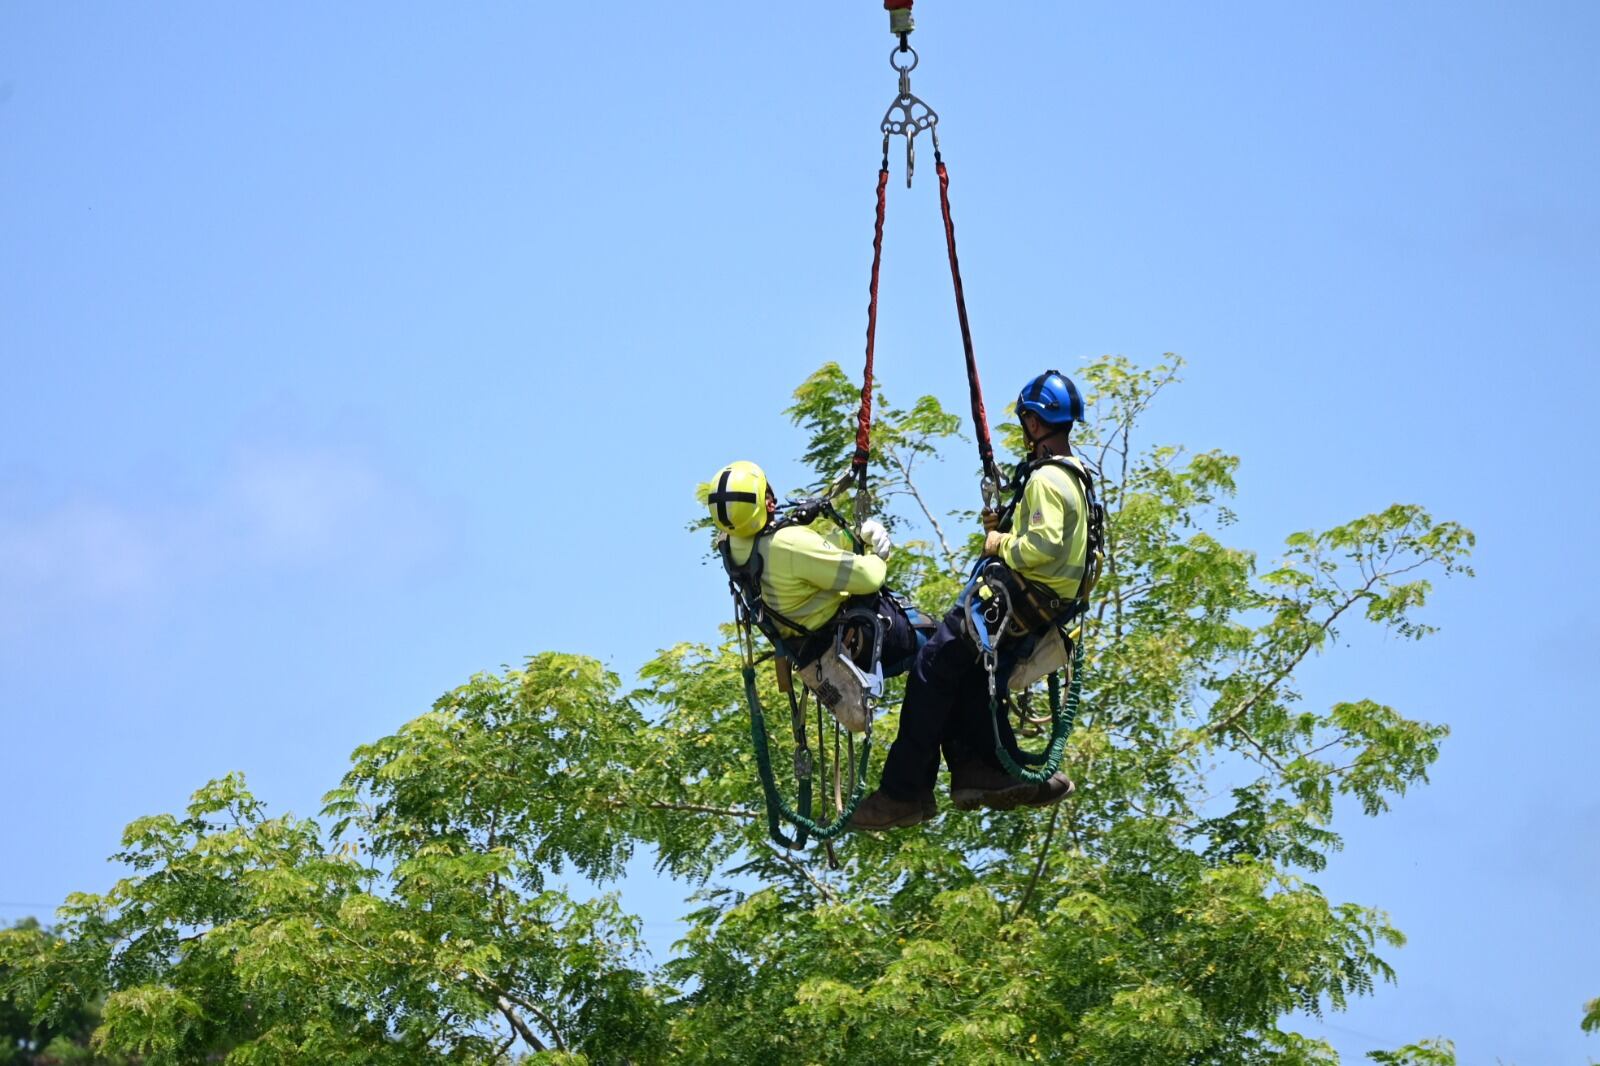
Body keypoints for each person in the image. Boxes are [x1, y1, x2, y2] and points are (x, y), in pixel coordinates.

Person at [848, 370, 1090, 830]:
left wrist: (1000, 542)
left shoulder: (1046, 479)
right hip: (1041, 608)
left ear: (1034, 423)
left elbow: (1043, 546)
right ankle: (982, 769)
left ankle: (903, 792)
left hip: (1012, 601)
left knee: (931, 667)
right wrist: (1008, 528)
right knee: (971, 675)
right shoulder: (1077, 477)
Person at [707, 461, 924, 720]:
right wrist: (878, 554)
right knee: (938, 642)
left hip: (816, 653)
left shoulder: (732, 548)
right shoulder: (788, 544)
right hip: (861, 641)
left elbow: (812, 558)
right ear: (768, 504)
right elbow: (869, 577)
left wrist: (851, 537)